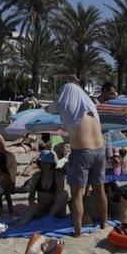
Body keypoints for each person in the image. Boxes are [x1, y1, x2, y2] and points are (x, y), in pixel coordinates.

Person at [46, 82, 107, 237]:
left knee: (77, 194)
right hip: (100, 151)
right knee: (100, 190)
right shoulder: (91, 109)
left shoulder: (67, 108)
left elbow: (50, 109)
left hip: (82, 153)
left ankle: (78, 231)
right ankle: (104, 223)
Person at [18, 151, 69, 225]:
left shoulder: (58, 176)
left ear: (51, 164)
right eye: (42, 163)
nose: (43, 165)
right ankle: (19, 226)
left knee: (64, 194)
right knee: (34, 208)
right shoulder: (37, 176)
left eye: (46, 163)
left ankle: (49, 218)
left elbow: (59, 196)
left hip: (55, 208)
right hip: (42, 207)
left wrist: (53, 209)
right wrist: (33, 207)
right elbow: (31, 196)